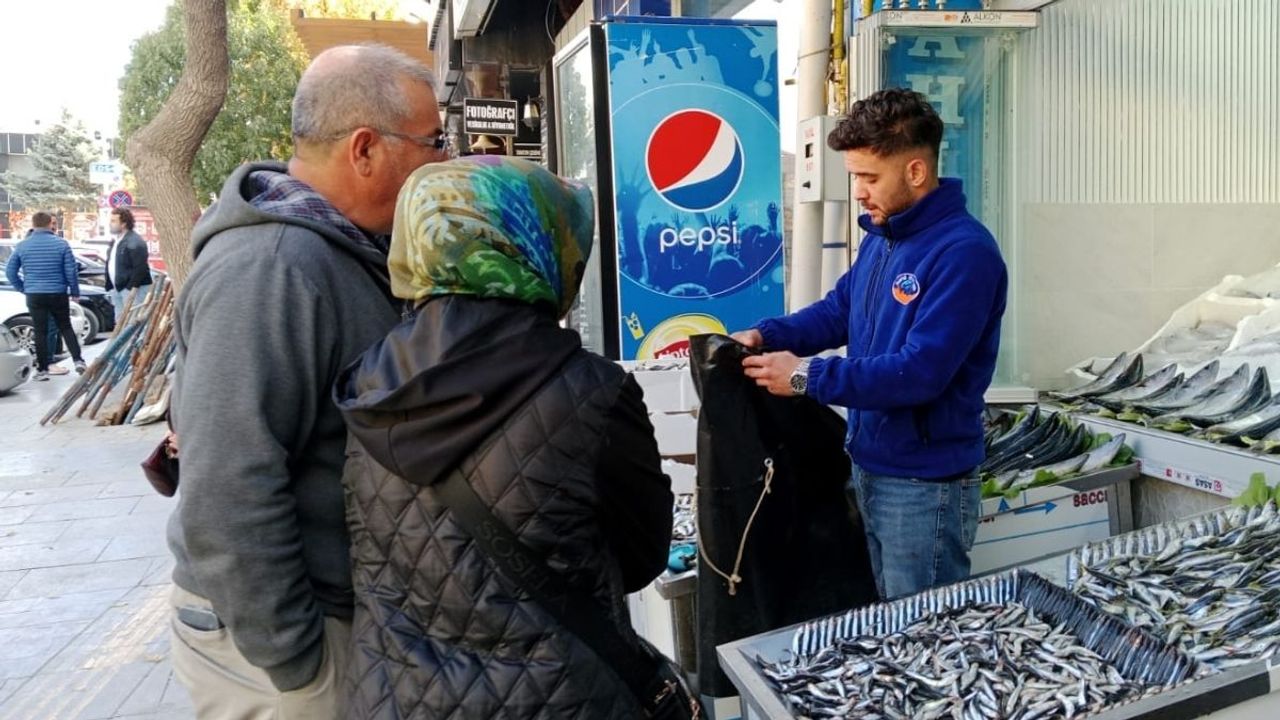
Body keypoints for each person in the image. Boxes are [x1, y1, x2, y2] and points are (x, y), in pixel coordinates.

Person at [335, 157, 674, 719]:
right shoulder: (592, 391)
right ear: (533, 244)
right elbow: (643, 558)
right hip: (561, 696)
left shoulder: (369, 382)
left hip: (397, 695)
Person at [166, 44, 448, 720]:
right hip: (285, 645)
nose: (443, 160)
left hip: (326, 619)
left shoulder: (334, 249)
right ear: (365, 149)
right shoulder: (272, 266)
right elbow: (228, 482)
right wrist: (295, 659)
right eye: (433, 142)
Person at [733, 88, 1008, 601]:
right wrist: (767, 334)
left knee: (922, 630)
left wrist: (805, 377)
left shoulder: (965, 254)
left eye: (869, 177)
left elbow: (919, 373)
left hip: (925, 488)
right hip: (868, 467)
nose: (858, 191)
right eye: (854, 176)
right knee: (884, 622)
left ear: (916, 172)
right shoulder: (884, 237)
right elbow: (840, 311)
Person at [4, 211, 86, 380]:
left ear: (33, 224)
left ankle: (42, 369)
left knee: (40, 331)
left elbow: (10, 272)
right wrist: (75, 292)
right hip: (57, 292)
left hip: (34, 294)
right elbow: (71, 271)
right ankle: (78, 360)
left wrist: (23, 288)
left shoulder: (22, 245)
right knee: (65, 327)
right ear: (50, 223)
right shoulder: (61, 244)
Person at [105, 207, 153, 312]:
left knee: (133, 318)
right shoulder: (116, 240)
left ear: (123, 224)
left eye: (113, 221)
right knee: (120, 319)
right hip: (118, 288)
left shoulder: (135, 241)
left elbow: (140, 268)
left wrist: (130, 287)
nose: (110, 224)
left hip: (132, 290)